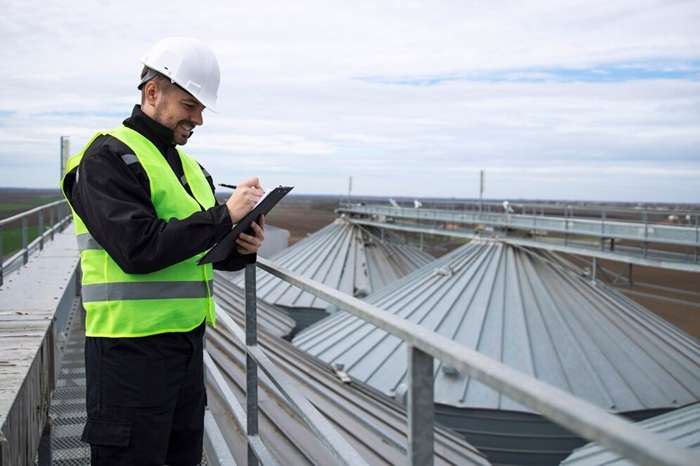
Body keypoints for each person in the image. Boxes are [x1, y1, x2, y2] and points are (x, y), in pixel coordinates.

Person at [61, 37, 265, 465]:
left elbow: (200, 250)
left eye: (202, 109)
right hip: (127, 355)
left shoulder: (191, 168)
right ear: (152, 93)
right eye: (190, 105)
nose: (199, 119)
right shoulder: (106, 157)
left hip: (186, 351)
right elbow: (137, 249)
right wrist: (223, 216)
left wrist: (241, 245)